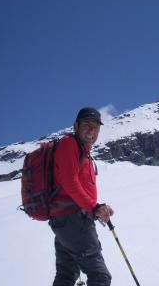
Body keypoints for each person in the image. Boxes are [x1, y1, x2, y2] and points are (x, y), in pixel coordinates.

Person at [48, 107, 115, 286]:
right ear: (76, 126)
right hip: (73, 220)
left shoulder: (82, 150)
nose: (92, 131)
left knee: (66, 275)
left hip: (66, 222)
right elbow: (70, 182)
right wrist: (94, 207)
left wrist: (97, 208)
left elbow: (77, 186)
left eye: (95, 127)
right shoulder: (69, 144)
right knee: (100, 277)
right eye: (87, 125)